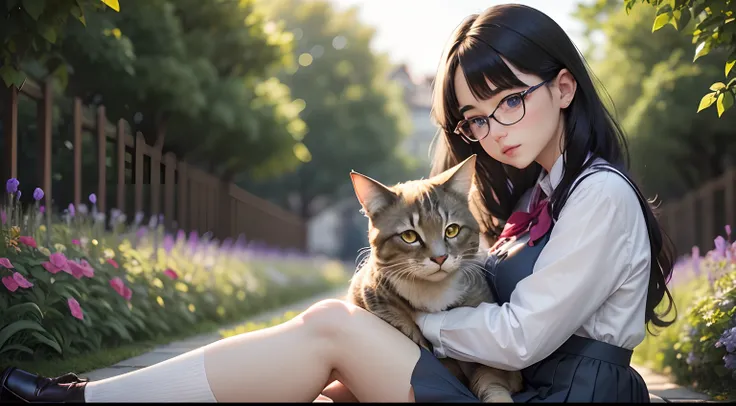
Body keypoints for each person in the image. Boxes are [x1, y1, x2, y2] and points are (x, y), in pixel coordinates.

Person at [0, 4, 675, 403]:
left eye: (510, 101)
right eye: (475, 119)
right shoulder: (535, 195)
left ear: (563, 88)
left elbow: (521, 336)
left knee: (331, 325)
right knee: (327, 372)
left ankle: (85, 399)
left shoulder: (601, 195)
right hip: (506, 388)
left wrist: (404, 329)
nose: (494, 130)